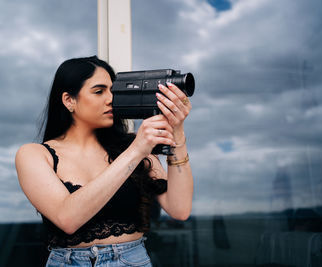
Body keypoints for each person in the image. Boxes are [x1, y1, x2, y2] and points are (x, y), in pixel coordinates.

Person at [15, 56, 193, 267]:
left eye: (113, 91)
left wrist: (177, 134)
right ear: (69, 100)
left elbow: (179, 209)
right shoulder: (34, 154)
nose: (110, 99)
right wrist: (137, 149)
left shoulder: (134, 147)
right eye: (99, 91)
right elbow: (67, 219)